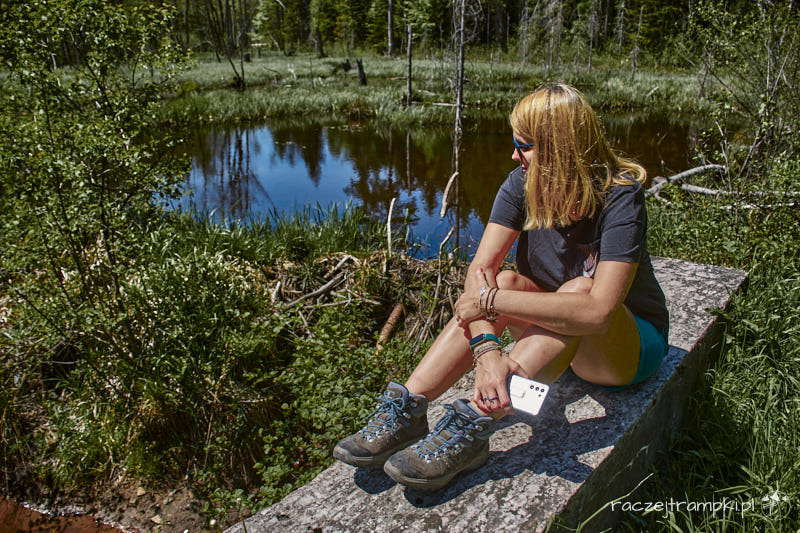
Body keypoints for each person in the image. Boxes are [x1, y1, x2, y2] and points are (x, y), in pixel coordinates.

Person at [333, 82, 669, 491]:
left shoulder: (620, 197)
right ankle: (409, 409)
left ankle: (475, 424)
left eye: (524, 145)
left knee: (577, 291)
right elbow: (480, 272)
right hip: (558, 340)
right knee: (506, 279)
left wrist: (490, 301)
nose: (514, 155)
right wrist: (488, 352)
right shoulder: (521, 183)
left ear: (561, 148)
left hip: (624, 351)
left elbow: (598, 312)